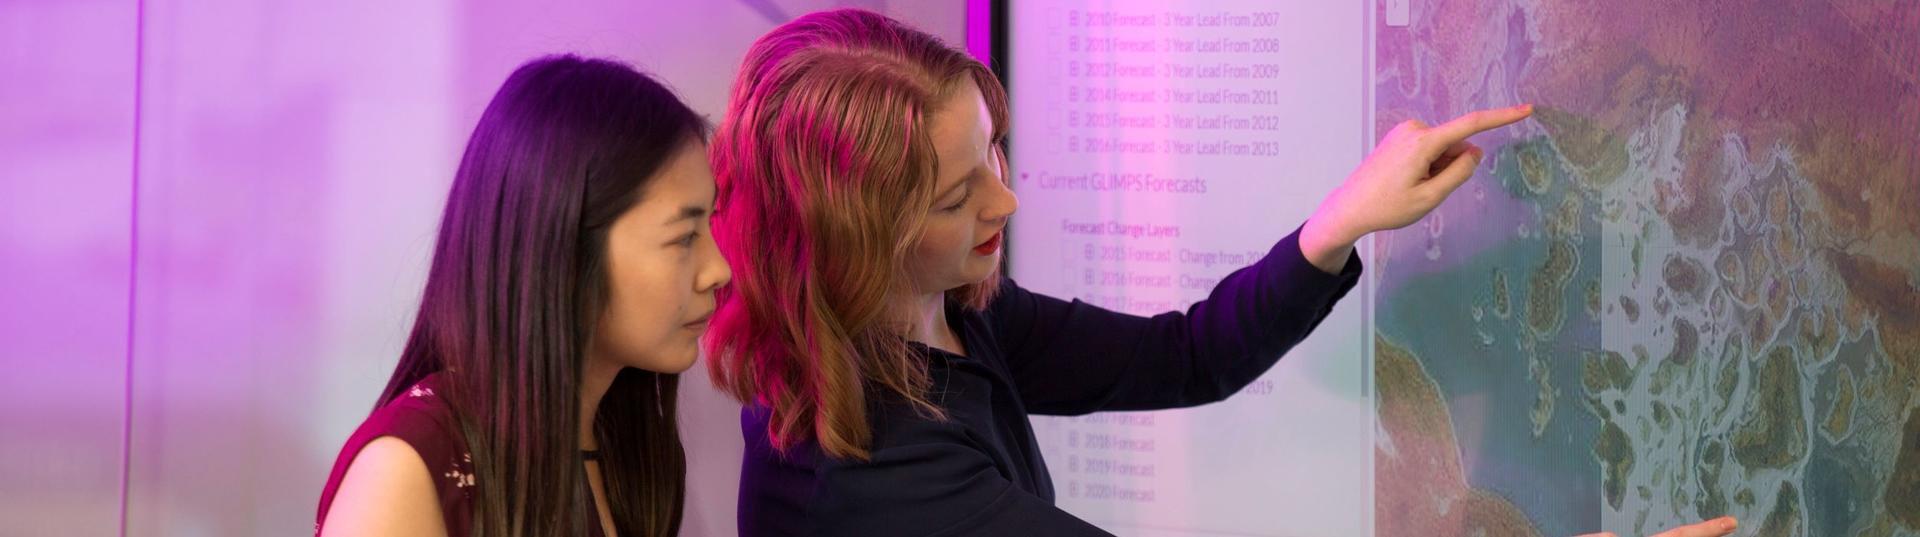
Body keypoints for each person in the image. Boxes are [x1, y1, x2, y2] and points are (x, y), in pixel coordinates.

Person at [706, 8, 1736, 537]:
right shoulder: (868, 480)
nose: (1004, 205)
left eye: (994, 155)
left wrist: (1337, 226)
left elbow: (1181, 355)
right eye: (954, 197)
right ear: (852, 239)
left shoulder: (937, 312)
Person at [314, 54, 730, 537]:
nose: (718, 270)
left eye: (710, 226)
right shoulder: (407, 470)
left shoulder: (624, 445)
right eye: (683, 237)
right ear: (567, 247)